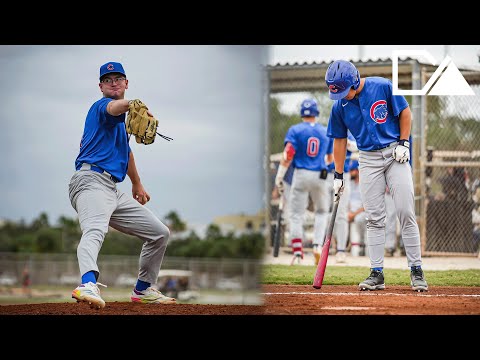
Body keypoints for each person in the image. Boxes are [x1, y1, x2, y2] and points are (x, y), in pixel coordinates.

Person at [69, 61, 176, 309]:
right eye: (108, 80)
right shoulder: (101, 108)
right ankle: (87, 283)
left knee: (159, 233)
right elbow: (114, 108)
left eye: (118, 78)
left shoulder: (123, 125)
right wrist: (131, 104)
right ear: (101, 87)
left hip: (112, 189)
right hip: (89, 181)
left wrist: (137, 184)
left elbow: (126, 153)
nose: (113, 82)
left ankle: (143, 289)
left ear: (126, 83)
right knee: (95, 230)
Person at [325, 59, 428, 292]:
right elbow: (339, 140)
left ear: (354, 81)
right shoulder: (339, 105)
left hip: (395, 154)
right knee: (374, 217)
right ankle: (377, 273)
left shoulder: (383, 86)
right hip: (367, 159)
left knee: (404, 211)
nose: (341, 96)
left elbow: (405, 112)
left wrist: (403, 142)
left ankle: (416, 270)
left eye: (343, 90)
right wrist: (338, 175)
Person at [274, 98, 333, 265]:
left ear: (302, 113)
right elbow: (330, 158)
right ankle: (316, 246)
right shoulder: (324, 130)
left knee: (296, 214)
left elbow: (288, 154)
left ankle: (298, 254)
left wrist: (280, 176)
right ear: (316, 113)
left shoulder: (295, 130)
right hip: (320, 175)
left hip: (300, 174)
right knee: (321, 212)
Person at [325, 131, 358, 264]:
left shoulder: (348, 132)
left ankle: (341, 250)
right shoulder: (329, 133)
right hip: (327, 175)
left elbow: (356, 146)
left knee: (341, 214)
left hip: (344, 175)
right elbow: (326, 157)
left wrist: (346, 143)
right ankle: (322, 247)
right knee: (324, 214)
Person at [347, 162, 367, 257]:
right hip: (350, 212)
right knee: (337, 219)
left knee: (359, 219)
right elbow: (347, 200)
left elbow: (366, 205)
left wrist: (353, 214)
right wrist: (349, 212)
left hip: (361, 212)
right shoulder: (349, 184)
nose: (350, 172)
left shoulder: (364, 184)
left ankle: (362, 244)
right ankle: (342, 246)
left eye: (352, 170)